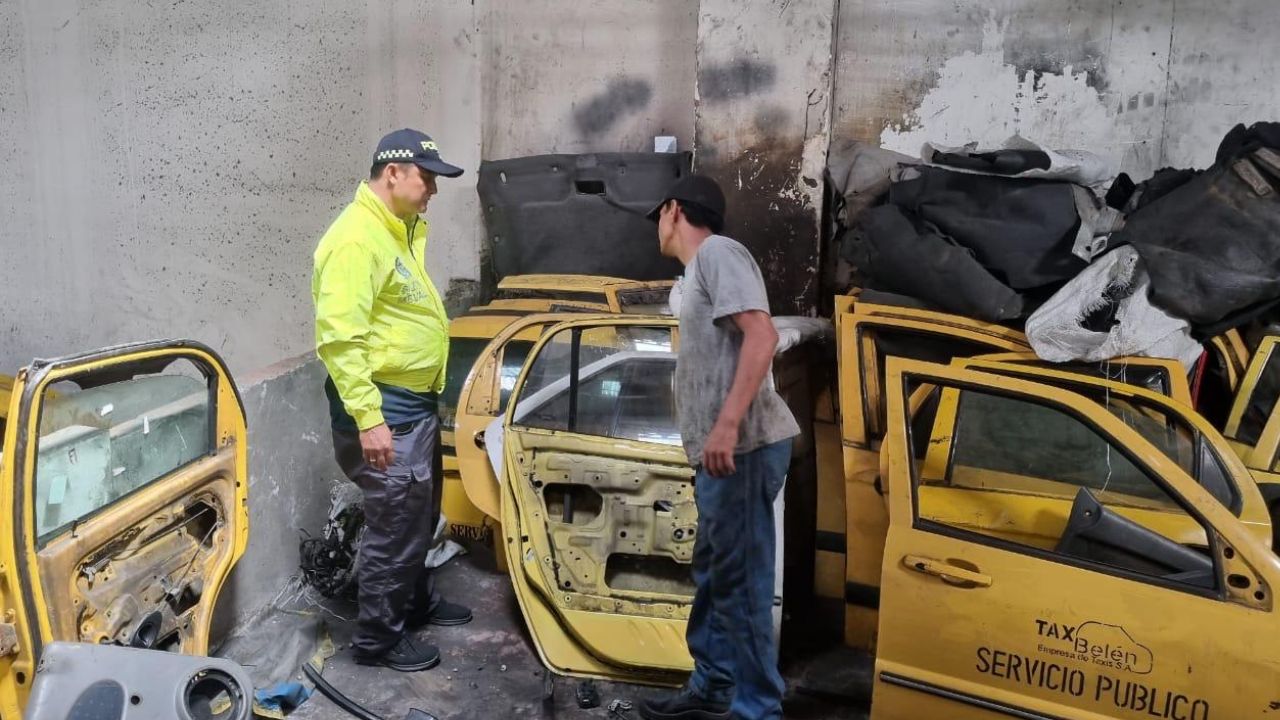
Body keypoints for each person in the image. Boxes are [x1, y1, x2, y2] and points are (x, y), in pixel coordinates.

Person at [639, 175, 801, 720]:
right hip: (721, 457)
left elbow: (762, 335)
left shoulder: (717, 253)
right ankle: (713, 686)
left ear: (674, 210)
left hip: (744, 450)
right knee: (715, 574)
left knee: (742, 583)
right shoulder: (695, 276)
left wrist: (727, 426)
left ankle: (758, 709)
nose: (657, 229)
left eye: (658, 217)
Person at [312, 129, 473, 672]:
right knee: (395, 529)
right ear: (393, 174)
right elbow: (340, 338)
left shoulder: (395, 232)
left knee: (419, 517)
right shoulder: (357, 239)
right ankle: (378, 639)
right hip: (386, 414)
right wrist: (369, 418)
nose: (433, 190)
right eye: (427, 178)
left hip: (412, 408)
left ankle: (414, 604)